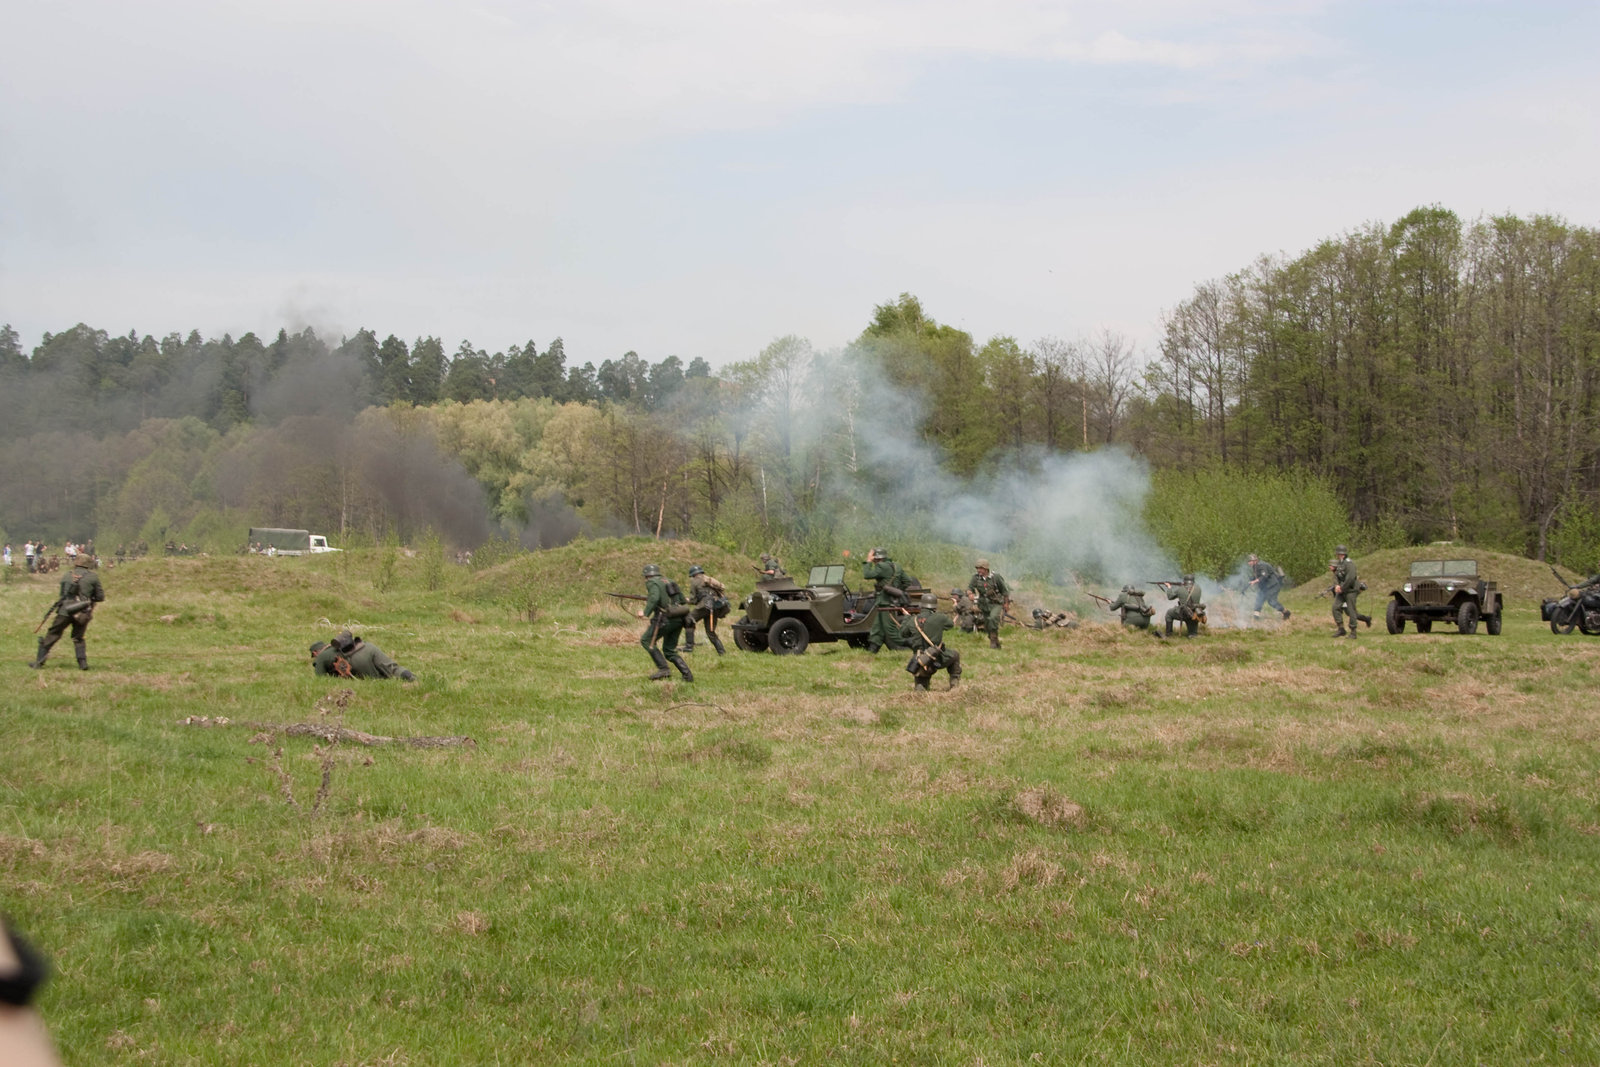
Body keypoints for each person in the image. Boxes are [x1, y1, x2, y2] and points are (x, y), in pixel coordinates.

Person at [30, 555, 105, 670]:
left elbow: (62, 594)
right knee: (78, 637)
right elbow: (100, 597)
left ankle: (39, 662)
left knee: (53, 633)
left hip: (65, 611)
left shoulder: (67, 575)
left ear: (76, 563)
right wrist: (88, 601)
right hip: (82, 612)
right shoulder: (93, 577)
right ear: (88, 564)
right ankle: (83, 664)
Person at [637, 564, 693, 681]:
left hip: (664, 619)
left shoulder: (652, 582)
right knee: (669, 650)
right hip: (679, 618)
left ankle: (663, 669)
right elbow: (682, 600)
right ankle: (687, 675)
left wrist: (645, 613)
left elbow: (654, 598)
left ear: (647, 576)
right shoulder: (669, 580)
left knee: (646, 640)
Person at [898, 592, 962, 691]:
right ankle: (954, 686)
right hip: (937, 658)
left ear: (921, 605)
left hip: (920, 660)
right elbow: (950, 624)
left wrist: (907, 617)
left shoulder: (913, 619)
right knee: (955, 655)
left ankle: (920, 688)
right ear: (935, 606)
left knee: (921, 680)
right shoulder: (940, 617)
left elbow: (903, 633)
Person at [861, 547, 911, 654]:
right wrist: (895, 590)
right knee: (877, 628)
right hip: (886, 603)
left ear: (876, 559)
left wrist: (868, 561)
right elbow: (907, 581)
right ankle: (872, 650)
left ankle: (912, 645)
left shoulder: (881, 566)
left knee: (891, 631)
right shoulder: (896, 566)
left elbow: (867, 575)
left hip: (886, 603)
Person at [327, 630, 416, 680]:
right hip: (382, 679)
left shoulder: (337, 657)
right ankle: (410, 677)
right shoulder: (369, 648)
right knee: (393, 670)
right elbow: (391, 668)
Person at [682, 564, 728, 655]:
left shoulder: (695, 581)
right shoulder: (708, 580)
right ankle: (721, 651)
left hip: (704, 606)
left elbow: (693, 600)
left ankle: (689, 646)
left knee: (688, 620)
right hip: (714, 607)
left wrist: (686, 600)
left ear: (693, 574)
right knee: (710, 631)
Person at [969, 558, 1011, 649]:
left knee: (993, 618)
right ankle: (995, 640)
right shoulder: (976, 578)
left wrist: (1006, 604)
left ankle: (993, 641)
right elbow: (970, 588)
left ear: (986, 568)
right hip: (983, 604)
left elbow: (1005, 591)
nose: (978, 570)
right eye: (977, 568)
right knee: (987, 625)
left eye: (981, 568)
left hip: (996, 604)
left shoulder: (996, 577)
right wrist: (970, 594)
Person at [1329, 545, 1369, 638]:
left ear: (1342, 554)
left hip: (1351, 590)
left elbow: (1350, 578)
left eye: (1339, 553)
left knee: (1351, 610)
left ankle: (1353, 631)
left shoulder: (1349, 564)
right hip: (1342, 590)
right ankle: (1341, 629)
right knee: (1335, 607)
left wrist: (1342, 587)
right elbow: (1336, 575)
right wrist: (1336, 585)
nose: (1338, 555)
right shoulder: (1340, 563)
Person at [1246, 553, 1292, 621]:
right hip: (1265, 586)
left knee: (1271, 601)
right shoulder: (1255, 567)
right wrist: (1250, 581)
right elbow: (1256, 576)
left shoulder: (1262, 565)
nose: (1248, 563)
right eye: (1248, 562)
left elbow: (1264, 576)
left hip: (1273, 585)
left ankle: (1286, 612)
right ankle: (1256, 617)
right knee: (1259, 599)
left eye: (1250, 561)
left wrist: (1255, 581)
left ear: (1255, 560)